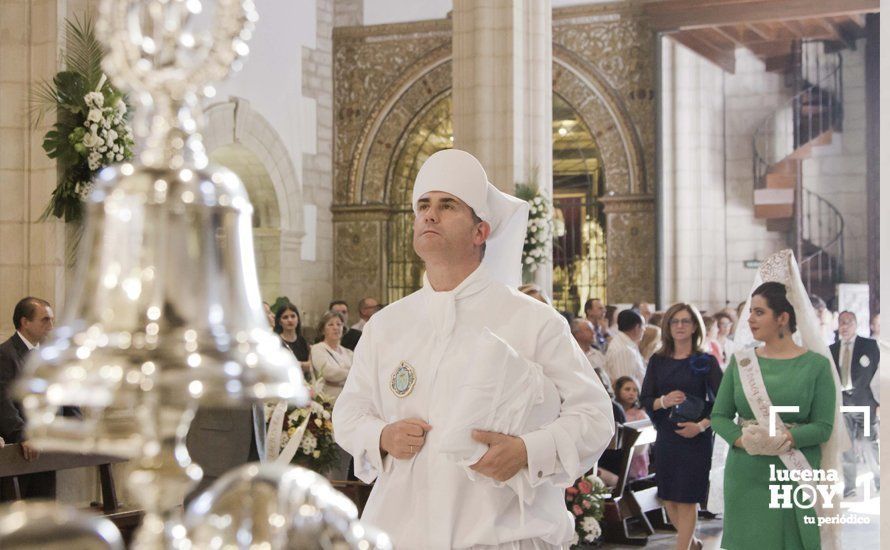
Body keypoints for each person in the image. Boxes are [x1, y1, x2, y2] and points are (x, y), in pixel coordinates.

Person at [333, 149, 613, 549]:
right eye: (423, 206)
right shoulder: (385, 326)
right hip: (402, 533)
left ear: (480, 231)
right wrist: (381, 434)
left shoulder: (532, 319)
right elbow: (348, 413)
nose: (429, 215)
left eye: (447, 205)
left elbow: (595, 417)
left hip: (498, 536)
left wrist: (527, 451)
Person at [711, 249, 847, 550]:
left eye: (759, 312)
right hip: (745, 472)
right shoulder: (742, 362)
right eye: (750, 312)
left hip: (793, 473)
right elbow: (719, 416)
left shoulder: (816, 365)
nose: (750, 319)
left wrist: (784, 438)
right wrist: (743, 441)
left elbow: (824, 426)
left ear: (783, 317)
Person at [640, 303, 722, 550]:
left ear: (695, 326)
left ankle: (682, 547)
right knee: (668, 498)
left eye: (685, 321)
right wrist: (664, 401)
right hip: (667, 436)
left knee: (687, 499)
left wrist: (701, 426)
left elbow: (724, 403)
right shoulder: (658, 360)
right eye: (675, 321)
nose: (680, 326)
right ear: (668, 326)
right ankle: (693, 542)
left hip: (695, 438)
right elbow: (646, 399)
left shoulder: (706, 361)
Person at [0, 297, 56, 498]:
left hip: (46, 448)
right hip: (19, 451)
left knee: (45, 513)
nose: (51, 326)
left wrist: (76, 425)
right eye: (45, 320)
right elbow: (3, 402)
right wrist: (23, 434)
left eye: (51, 320)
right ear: (25, 322)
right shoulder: (5, 355)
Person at [831, 310, 880, 496]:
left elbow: (879, 375)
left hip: (865, 404)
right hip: (842, 404)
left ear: (856, 324)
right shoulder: (832, 349)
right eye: (841, 322)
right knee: (846, 446)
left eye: (848, 322)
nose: (844, 326)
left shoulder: (869, 346)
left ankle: (880, 482)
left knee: (869, 443)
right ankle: (849, 486)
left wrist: (880, 402)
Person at [310, 311, 354, 403]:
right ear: (322, 330)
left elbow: (359, 374)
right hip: (327, 403)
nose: (336, 328)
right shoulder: (317, 348)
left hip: (349, 401)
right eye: (330, 325)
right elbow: (328, 372)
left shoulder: (349, 352)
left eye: (339, 324)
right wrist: (350, 372)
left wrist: (342, 373)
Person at [614, 376, 650, 480]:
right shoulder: (615, 412)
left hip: (635, 457)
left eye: (635, 390)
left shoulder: (640, 415)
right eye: (627, 389)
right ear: (618, 390)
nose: (631, 393)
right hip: (618, 457)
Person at [604, 309, 646, 388]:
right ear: (637, 327)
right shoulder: (623, 350)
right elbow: (625, 388)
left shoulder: (627, 344)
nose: (644, 329)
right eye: (643, 326)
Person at [570, 318, 611, 397]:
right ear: (577, 333)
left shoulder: (598, 354)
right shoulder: (571, 354)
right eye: (588, 330)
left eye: (593, 329)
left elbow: (607, 378)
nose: (593, 333)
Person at [274, 303, 311, 377]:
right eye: (285, 317)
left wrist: (297, 364)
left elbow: (311, 365)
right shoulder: (275, 342)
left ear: (298, 319)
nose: (290, 320)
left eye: (293, 316)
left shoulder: (302, 340)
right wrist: (302, 365)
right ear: (280, 322)